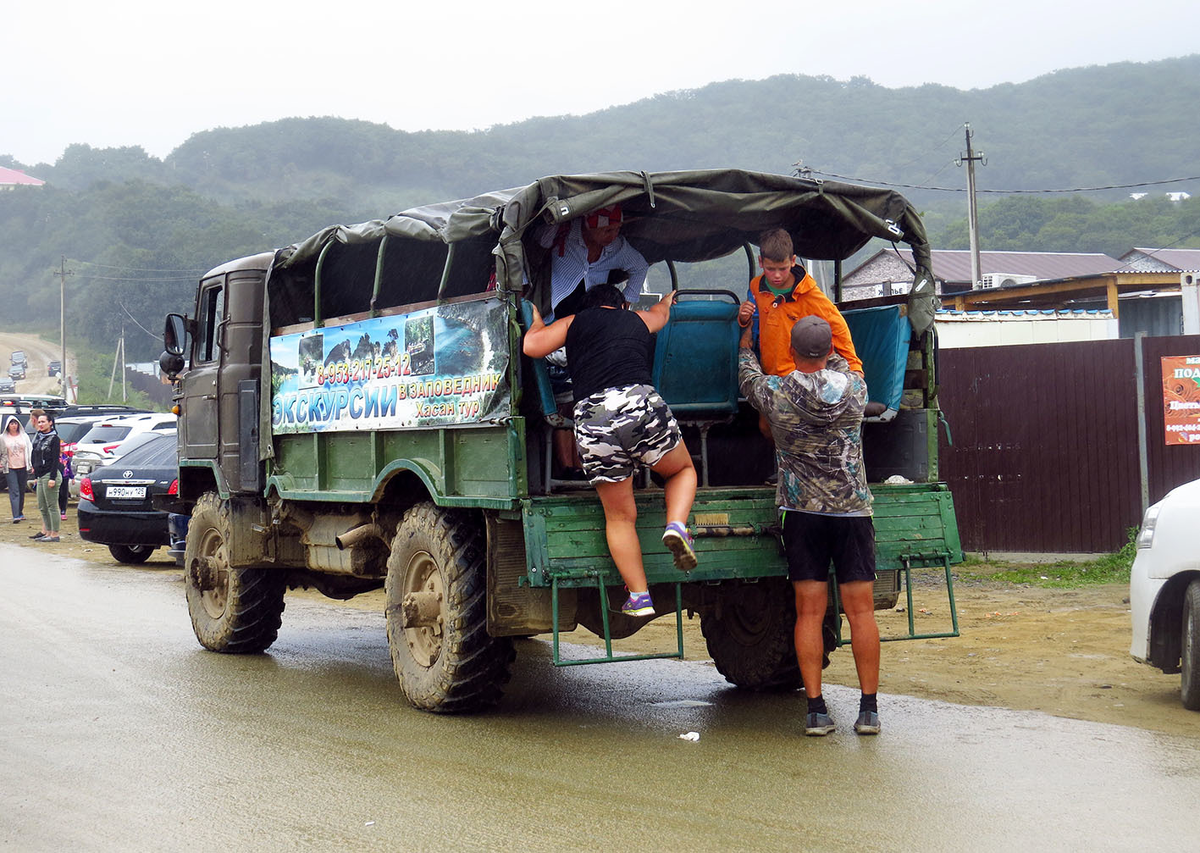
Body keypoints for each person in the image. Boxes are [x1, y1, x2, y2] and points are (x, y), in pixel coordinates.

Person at [738, 315, 881, 737]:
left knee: (809, 611)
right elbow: (841, 369)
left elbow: (747, 372)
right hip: (852, 512)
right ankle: (868, 710)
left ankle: (816, 711)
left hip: (802, 515)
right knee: (861, 612)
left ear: (791, 353)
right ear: (830, 351)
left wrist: (748, 338)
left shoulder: (775, 392)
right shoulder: (856, 390)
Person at [523, 284, 698, 616]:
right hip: (638, 403)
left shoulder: (574, 322)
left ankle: (639, 596)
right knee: (681, 471)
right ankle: (675, 524)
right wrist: (666, 299)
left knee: (619, 516)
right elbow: (661, 315)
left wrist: (533, 318)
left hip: (592, 417)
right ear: (622, 305)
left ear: (589, 307)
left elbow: (533, 346)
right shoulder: (634, 319)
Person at [539, 204, 649, 319]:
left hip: (592, 317)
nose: (613, 236)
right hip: (554, 313)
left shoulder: (617, 247)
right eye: (608, 230)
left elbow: (640, 267)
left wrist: (626, 301)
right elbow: (535, 246)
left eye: (617, 229)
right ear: (588, 225)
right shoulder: (564, 232)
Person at [30, 410, 61, 543]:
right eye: (39, 422)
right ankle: (47, 531)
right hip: (40, 475)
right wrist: (36, 474)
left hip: (50, 475)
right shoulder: (38, 436)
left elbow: (55, 460)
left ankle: (55, 533)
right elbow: (35, 455)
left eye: (43, 422)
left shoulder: (54, 438)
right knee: (42, 506)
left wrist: (52, 478)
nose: (41, 424)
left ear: (50, 423)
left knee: (52, 506)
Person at [2, 414, 33, 523]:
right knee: (14, 490)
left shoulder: (24, 436)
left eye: (15, 423)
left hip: (23, 466)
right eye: (11, 424)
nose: (14, 426)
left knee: (21, 490)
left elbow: (30, 450)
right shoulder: (3, 437)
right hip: (10, 467)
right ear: (8, 425)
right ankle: (15, 515)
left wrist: (31, 464)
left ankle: (20, 512)